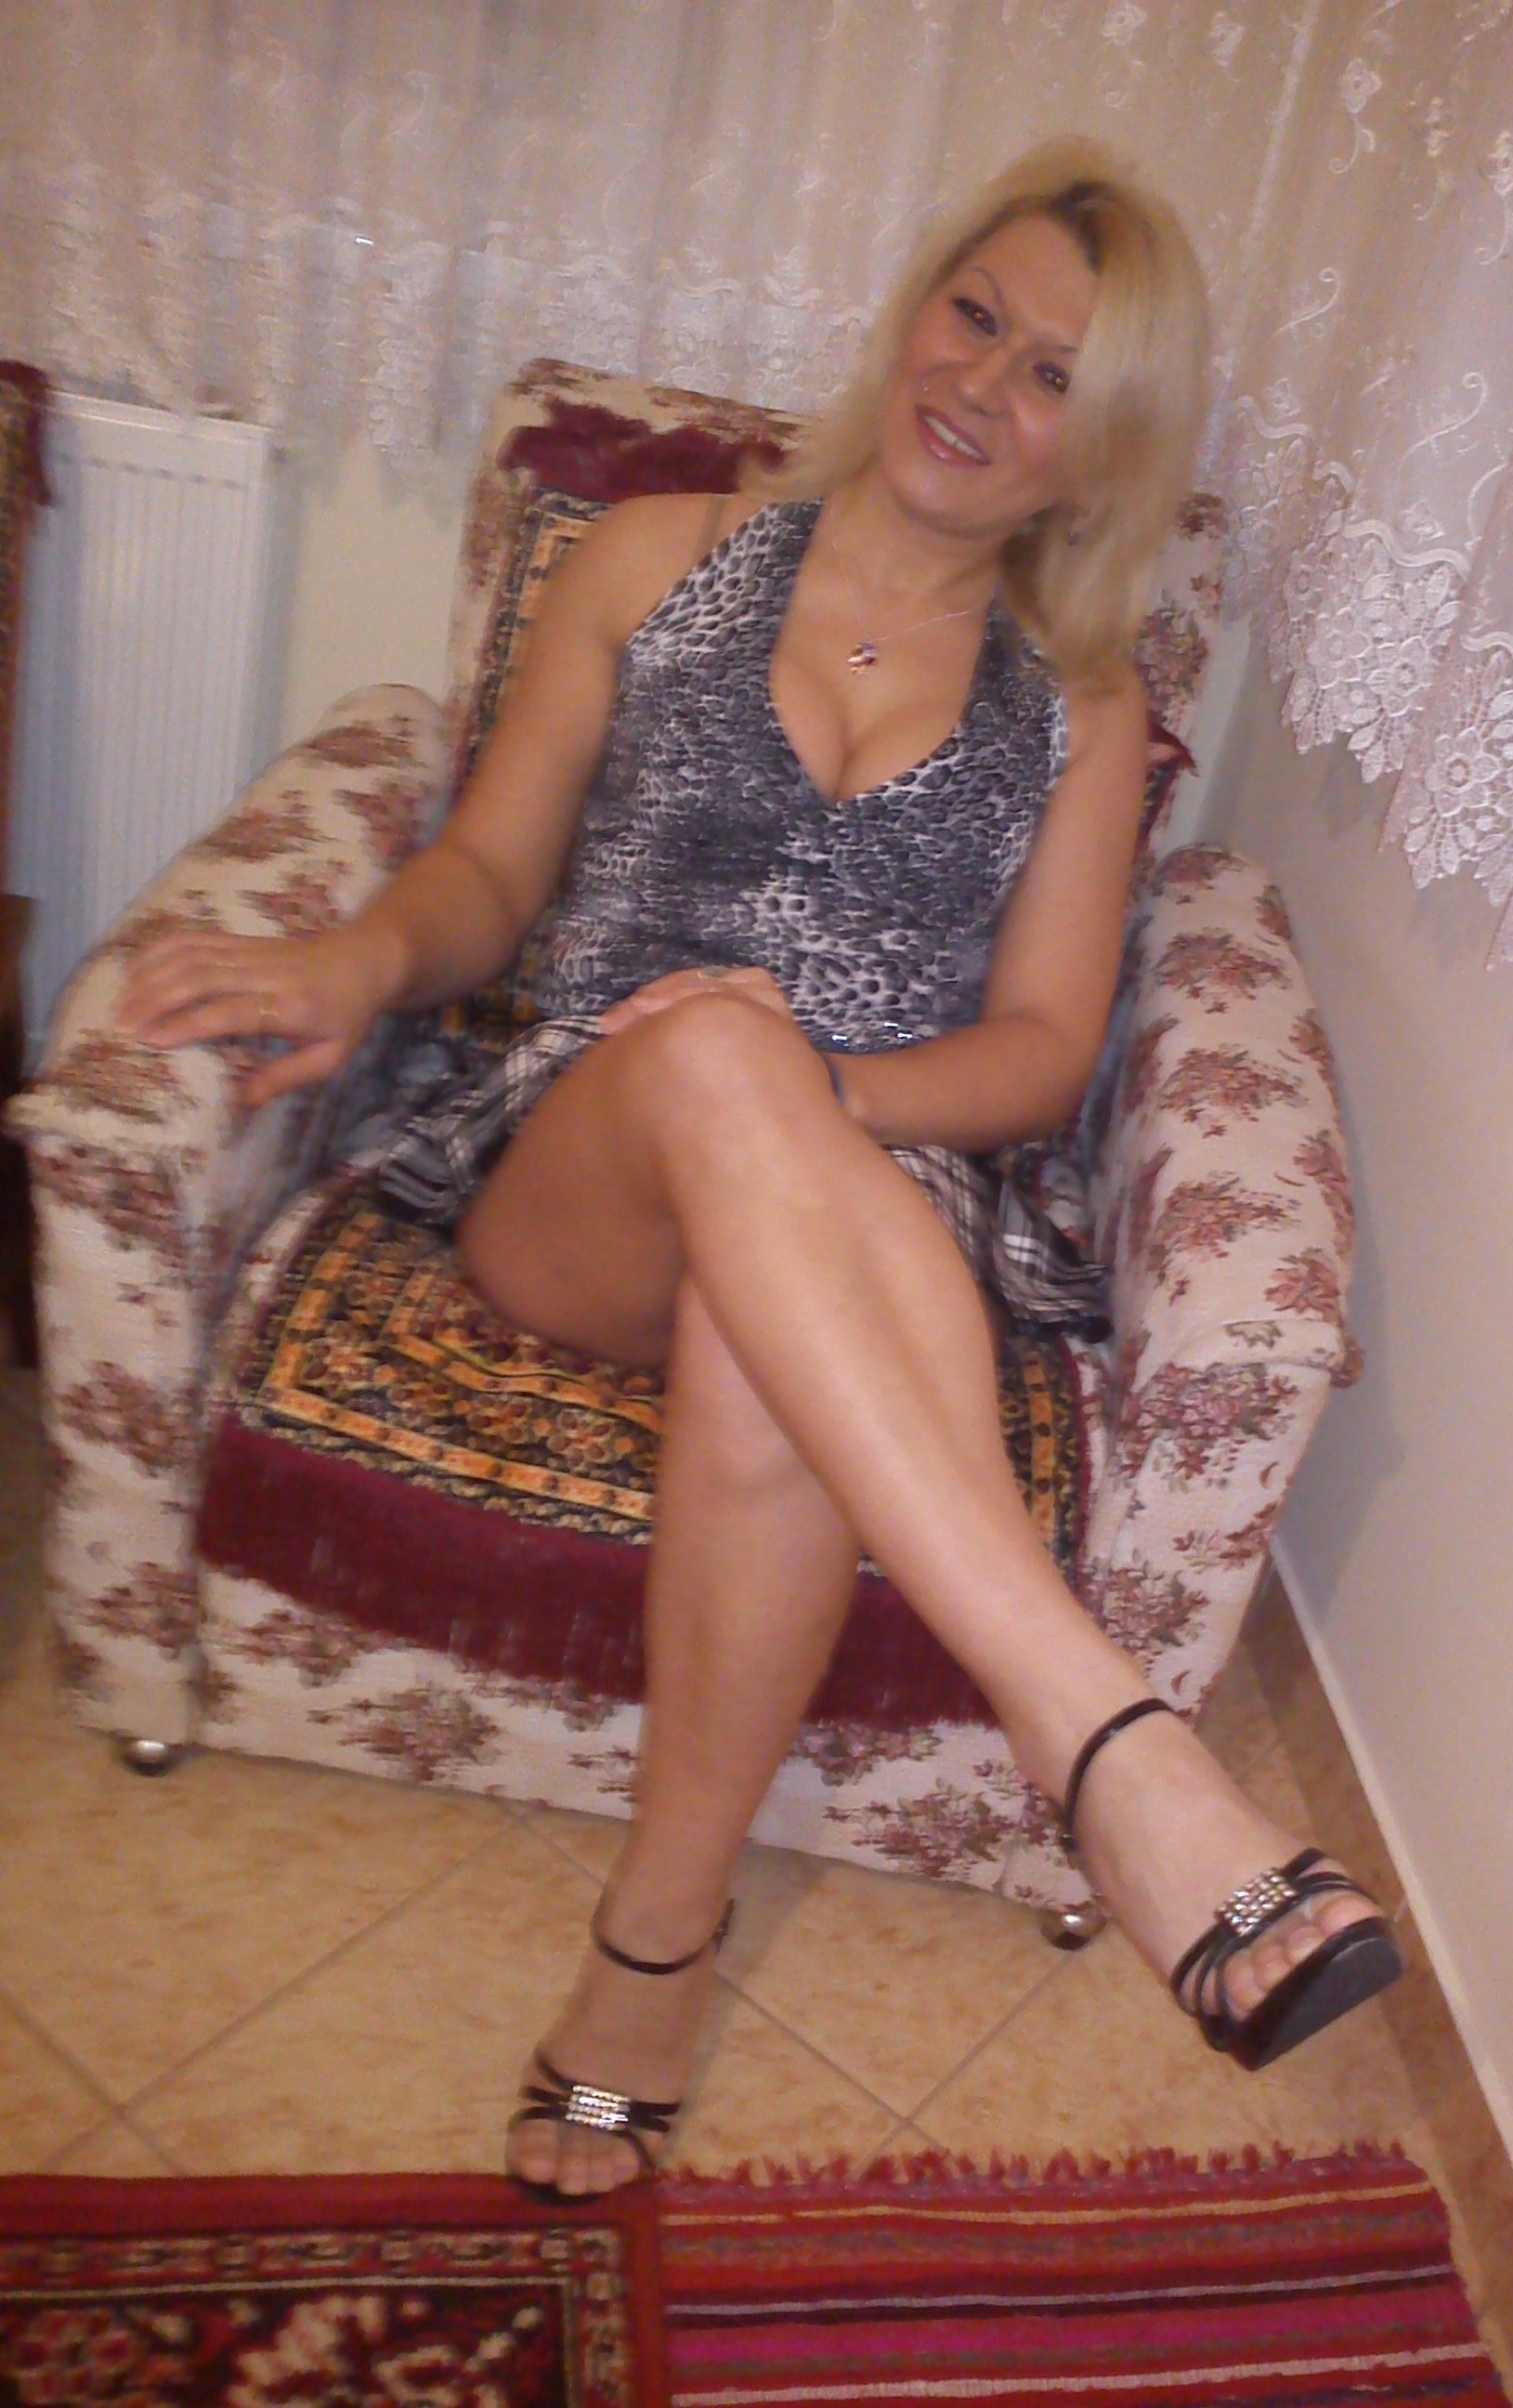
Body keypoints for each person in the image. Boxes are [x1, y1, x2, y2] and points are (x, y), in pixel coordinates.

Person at [117, 140, 1401, 2198]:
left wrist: (822, 1099)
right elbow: (487, 872)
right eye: (974, 314)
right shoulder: (649, 557)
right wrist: (354, 956)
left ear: (1101, 449)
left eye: (1055, 375)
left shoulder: (1082, 705)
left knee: (765, 1316)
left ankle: (651, 1952)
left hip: (873, 1203)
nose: (981, 382)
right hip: (584, 1163)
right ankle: (1103, 1736)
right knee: (717, 1050)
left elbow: (1042, 1050)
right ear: (915, 304)